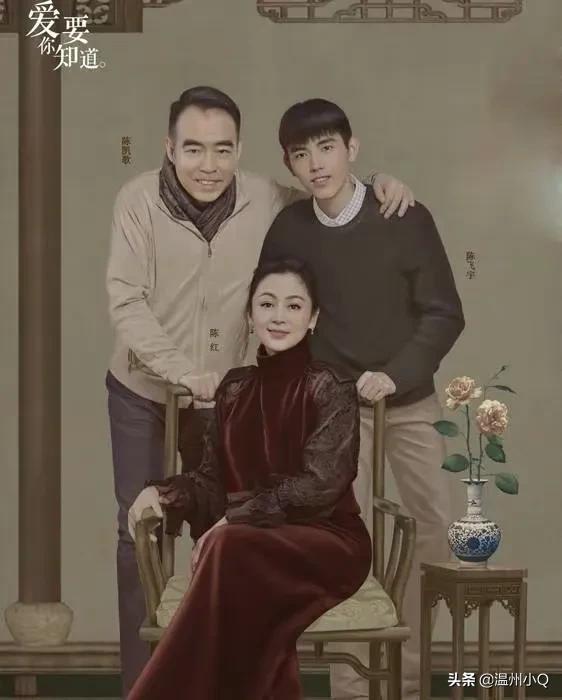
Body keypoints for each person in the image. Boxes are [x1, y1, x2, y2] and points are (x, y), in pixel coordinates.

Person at [105, 85, 415, 696]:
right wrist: (182, 375)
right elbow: (127, 301)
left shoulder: (265, 197)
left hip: (228, 390)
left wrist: (377, 182)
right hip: (147, 385)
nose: (209, 165)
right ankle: (141, 682)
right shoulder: (136, 200)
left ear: (240, 150)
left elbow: (328, 191)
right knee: (139, 534)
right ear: (169, 147)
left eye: (223, 150)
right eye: (193, 149)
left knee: (226, 534)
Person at [259, 98, 466, 700]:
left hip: (409, 400)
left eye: (327, 148)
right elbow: (276, 315)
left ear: (352, 148)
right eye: (301, 155)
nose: (316, 164)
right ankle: (352, 690)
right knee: (349, 539)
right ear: (289, 165)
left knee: (434, 533)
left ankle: (412, 683)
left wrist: (395, 375)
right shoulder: (289, 229)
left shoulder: (404, 215)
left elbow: (444, 312)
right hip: (335, 411)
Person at [127, 259, 372, 700]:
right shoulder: (235, 389)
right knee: (234, 555)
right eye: (267, 303)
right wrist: (161, 494)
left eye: (294, 306)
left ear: (313, 318)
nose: (279, 316)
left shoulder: (331, 387)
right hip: (248, 546)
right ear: (250, 314)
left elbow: (320, 486)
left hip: (328, 544)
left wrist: (236, 518)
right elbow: (211, 483)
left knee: (228, 546)